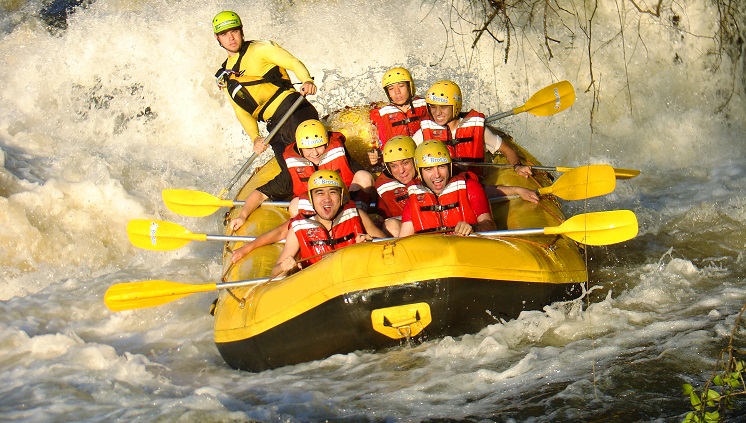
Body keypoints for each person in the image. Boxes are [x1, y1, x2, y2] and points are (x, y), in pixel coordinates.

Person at [229, 120, 375, 262]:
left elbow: (369, 180)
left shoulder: (339, 155)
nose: (315, 153)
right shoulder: (293, 175)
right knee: (295, 204)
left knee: (363, 176)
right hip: (318, 218)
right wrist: (243, 216)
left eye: (319, 147)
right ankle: (310, 241)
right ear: (300, 149)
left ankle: (361, 223)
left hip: (347, 211)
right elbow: (261, 195)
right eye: (309, 149)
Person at [212, 11, 319, 172]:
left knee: (311, 160)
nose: (231, 38)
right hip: (274, 126)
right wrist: (255, 138)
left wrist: (307, 80)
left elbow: (292, 62)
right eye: (224, 34)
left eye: (234, 31)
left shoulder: (259, 49)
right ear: (217, 38)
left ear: (241, 31)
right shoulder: (225, 76)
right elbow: (241, 111)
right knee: (292, 174)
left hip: (293, 110)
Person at [271, 170, 386, 277]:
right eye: (320, 193)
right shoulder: (298, 229)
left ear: (341, 196)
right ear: (311, 198)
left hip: (357, 277)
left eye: (332, 192)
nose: (327, 199)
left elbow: (389, 245)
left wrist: (371, 246)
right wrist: (284, 267)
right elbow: (274, 274)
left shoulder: (358, 215)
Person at [412, 80, 533, 178]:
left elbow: (506, 149)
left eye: (443, 107)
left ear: (456, 107)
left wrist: (517, 166)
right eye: (433, 107)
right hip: (441, 188)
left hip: (474, 184)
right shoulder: (422, 134)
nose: (437, 113)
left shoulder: (478, 130)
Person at [398, 140, 499, 237]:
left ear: (449, 167)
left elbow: (490, 225)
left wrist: (474, 228)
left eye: (442, 167)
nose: (437, 175)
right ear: (420, 172)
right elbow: (403, 239)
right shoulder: (413, 199)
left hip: (468, 248)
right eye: (429, 169)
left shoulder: (471, 188)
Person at [367, 67, 429, 167]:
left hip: (425, 157)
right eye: (391, 89)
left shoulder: (425, 106)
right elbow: (381, 143)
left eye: (401, 86)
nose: (397, 92)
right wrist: (376, 157)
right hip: (400, 161)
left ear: (410, 87)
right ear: (388, 93)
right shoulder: (383, 115)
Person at [374, 135, 419, 236]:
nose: (401, 171)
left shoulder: (431, 175)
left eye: (405, 163)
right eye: (394, 166)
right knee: (391, 225)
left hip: (434, 230)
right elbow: (382, 218)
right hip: (406, 236)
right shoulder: (382, 186)